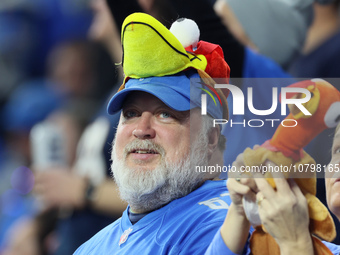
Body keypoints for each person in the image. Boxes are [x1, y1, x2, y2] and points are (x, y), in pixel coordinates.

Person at [73, 11, 236, 254]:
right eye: (131, 113)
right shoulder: (91, 248)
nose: (141, 130)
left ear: (210, 139)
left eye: (165, 114)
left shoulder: (223, 224)